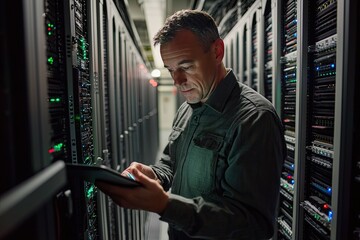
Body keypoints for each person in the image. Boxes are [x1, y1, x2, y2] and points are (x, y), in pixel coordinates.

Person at [95, 9, 286, 240]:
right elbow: (171, 164)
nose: (177, 81)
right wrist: (153, 175)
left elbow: (253, 224)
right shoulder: (187, 108)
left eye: (186, 67)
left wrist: (166, 205)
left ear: (217, 51)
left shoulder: (254, 119)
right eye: (171, 70)